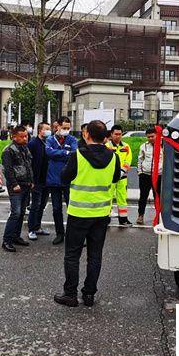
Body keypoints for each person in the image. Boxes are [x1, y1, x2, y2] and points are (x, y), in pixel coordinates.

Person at [53, 120, 121, 307]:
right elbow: (116, 178)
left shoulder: (77, 155)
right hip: (101, 214)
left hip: (79, 213)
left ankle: (70, 294)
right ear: (105, 137)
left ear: (86, 135)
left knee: (72, 255)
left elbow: (64, 178)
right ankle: (89, 294)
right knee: (95, 255)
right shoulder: (114, 157)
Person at [1, 125, 34, 252]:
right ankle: (6, 240)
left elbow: (28, 165)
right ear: (14, 137)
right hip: (16, 186)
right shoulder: (8, 150)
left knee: (21, 213)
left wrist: (31, 181)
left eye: (26, 136)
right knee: (15, 213)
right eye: (22, 136)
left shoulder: (24, 148)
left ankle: (16, 236)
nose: (25, 138)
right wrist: (14, 184)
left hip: (26, 184)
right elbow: (8, 170)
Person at [46, 116, 78, 245]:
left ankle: (73, 234)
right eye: (64, 127)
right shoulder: (50, 139)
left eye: (68, 128)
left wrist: (58, 153)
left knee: (72, 208)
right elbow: (49, 152)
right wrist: (65, 153)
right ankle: (60, 233)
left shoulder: (72, 139)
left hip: (68, 179)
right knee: (56, 208)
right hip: (54, 179)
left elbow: (75, 153)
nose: (66, 130)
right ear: (57, 126)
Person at [27, 122, 52, 240]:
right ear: (40, 131)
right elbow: (28, 163)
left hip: (47, 180)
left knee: (42, 205)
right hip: (36, 180)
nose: (49, 131)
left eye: (49, 129)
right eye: (46, 129)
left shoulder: (48, 143)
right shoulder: (33, 143)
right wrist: (31, 179)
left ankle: (37, 227)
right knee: (35, 206)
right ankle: (31, 229)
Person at [106, 125, 133, 226]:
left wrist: (122, 171)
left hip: (123, 177)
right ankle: (106, 218)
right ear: (111, 134)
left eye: (120, 134)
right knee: (108, 197)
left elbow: (128, 160)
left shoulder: (126, 146)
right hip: (110, 177)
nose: (118, 136)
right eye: (115, 134)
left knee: (122, 197)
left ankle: (123, 219)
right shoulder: (106, 146)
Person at [136, 127, 163, 225]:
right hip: (145, 175)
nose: (150, 138)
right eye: (148, 137)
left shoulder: (163, 145)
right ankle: (140, 215)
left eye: (152, 136)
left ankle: (159, 217)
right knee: (143, 196)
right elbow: (140, 159)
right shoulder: (144, 146)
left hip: (159, 176)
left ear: (157, 135)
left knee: (158, 197)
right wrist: (139, 172)